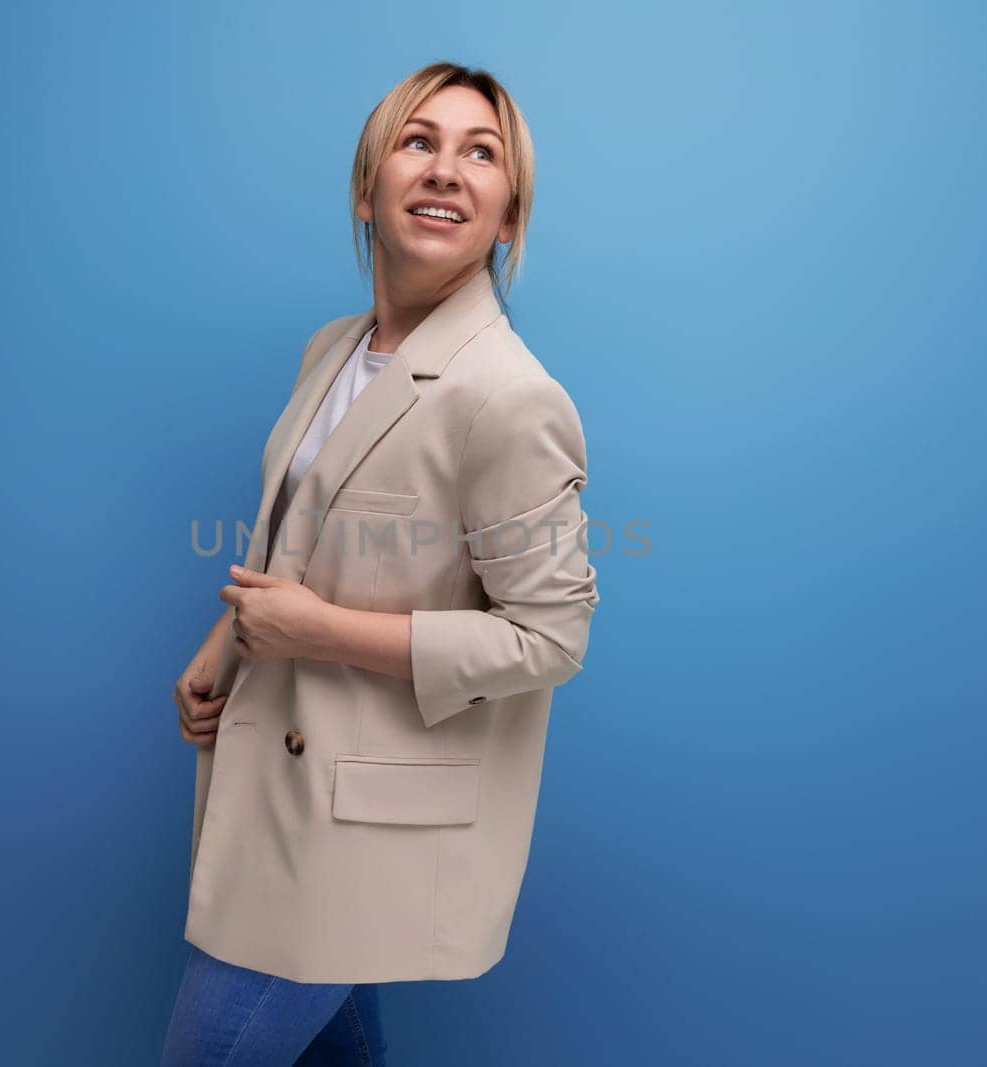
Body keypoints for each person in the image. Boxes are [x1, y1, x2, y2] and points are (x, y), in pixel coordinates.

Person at [162, 60, 599, 1066]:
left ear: (506, 217)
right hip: (279, 785)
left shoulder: (507, 395)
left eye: (479, 154)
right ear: (367, 188)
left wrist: (316, 635)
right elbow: (307, 536)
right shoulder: (332, 348)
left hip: (356, 825)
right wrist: (225, 638)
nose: (447, 169)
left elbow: (550, 635)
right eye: (419, 142)